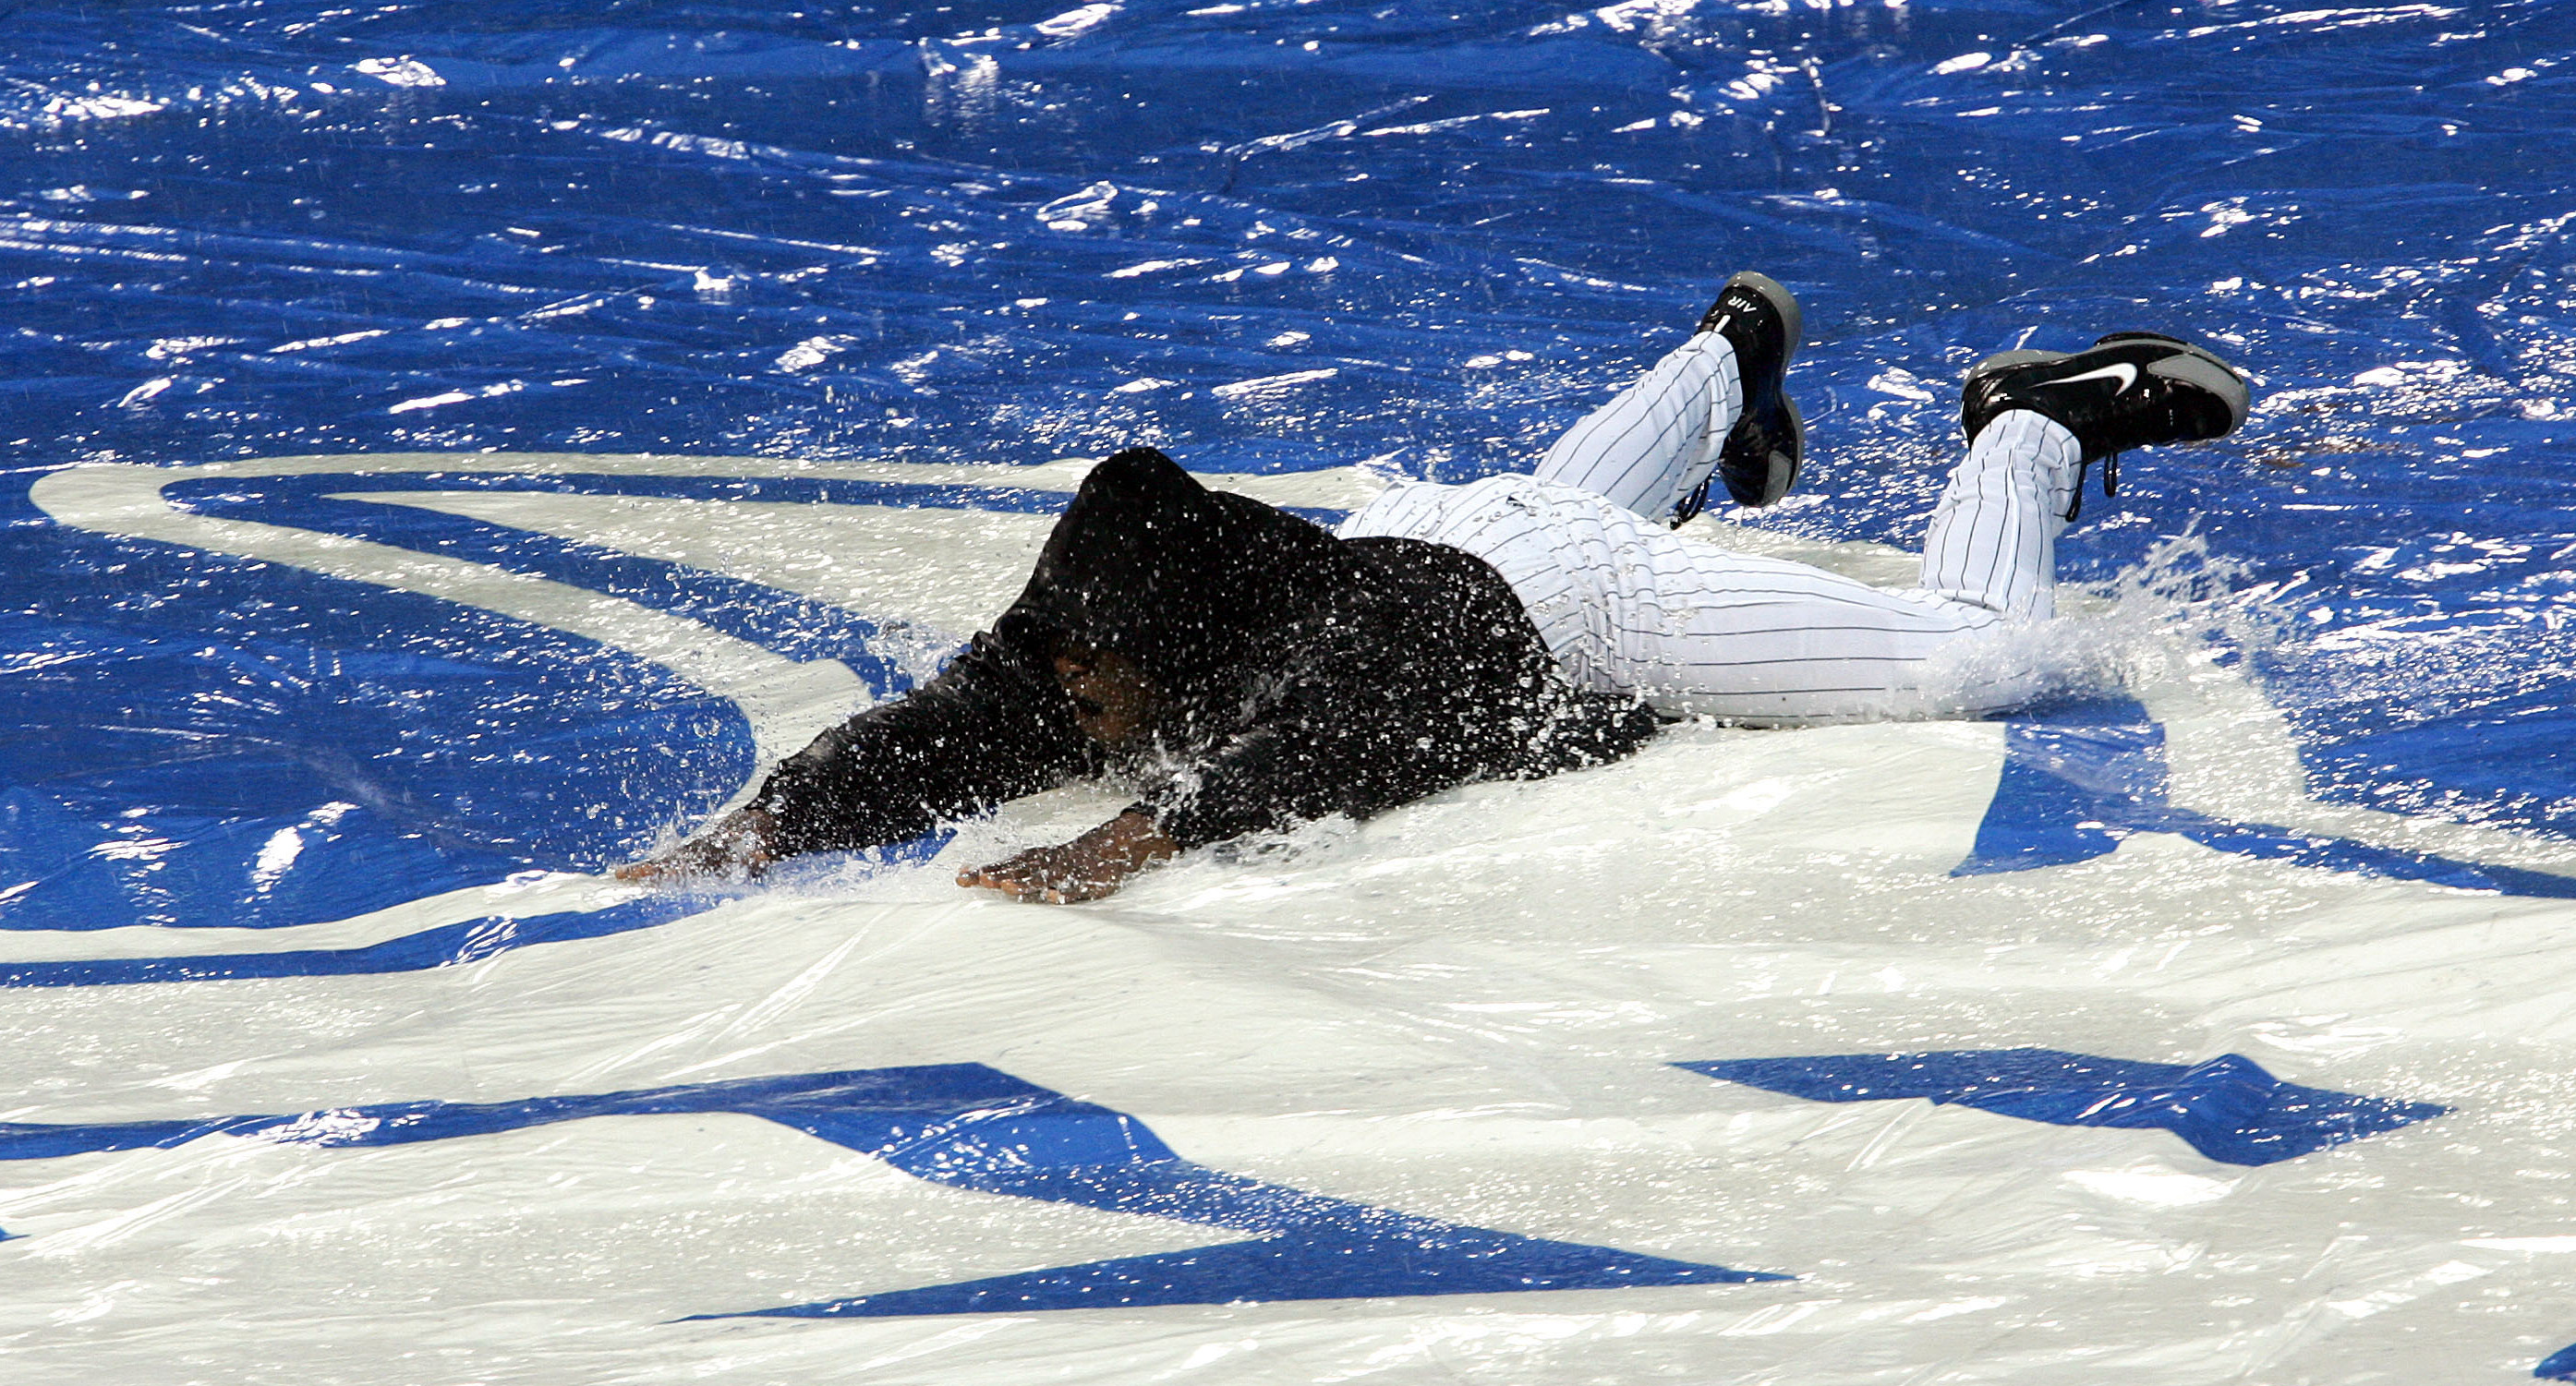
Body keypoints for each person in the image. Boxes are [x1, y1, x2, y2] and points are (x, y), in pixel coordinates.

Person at [618, 273, 2249, 901]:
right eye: (1075, 684)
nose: (1077, 705)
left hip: (1577, 601)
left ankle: (2030, 421)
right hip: (1472, 517)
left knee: (1980, 651)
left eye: (1102, 685)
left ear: (1167, 644)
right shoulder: (1080, 630)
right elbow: (928, 733)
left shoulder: (1346, 638)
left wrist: (1137, 835)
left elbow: (1336, 733)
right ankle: (1729, 355)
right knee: (1535, 493)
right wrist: (756, 828)